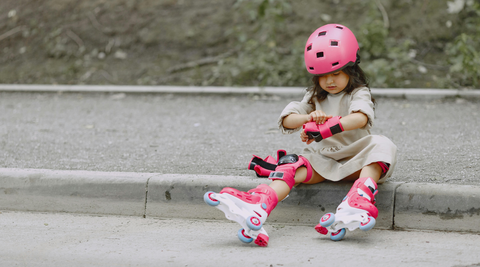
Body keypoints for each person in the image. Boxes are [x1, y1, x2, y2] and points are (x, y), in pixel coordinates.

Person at [204, 24, 397, 246]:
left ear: (351, 69)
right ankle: (259, 203)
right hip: (322, 160)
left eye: (336, 73)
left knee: (382, 145)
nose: (330, 81)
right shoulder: (314, 96)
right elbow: (287, 119)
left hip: (355, 159)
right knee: (291, 164)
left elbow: (360, 118)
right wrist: (308, 119)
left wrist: (329, 127)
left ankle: (357, 202)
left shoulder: (358, 92)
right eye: (323, 76)